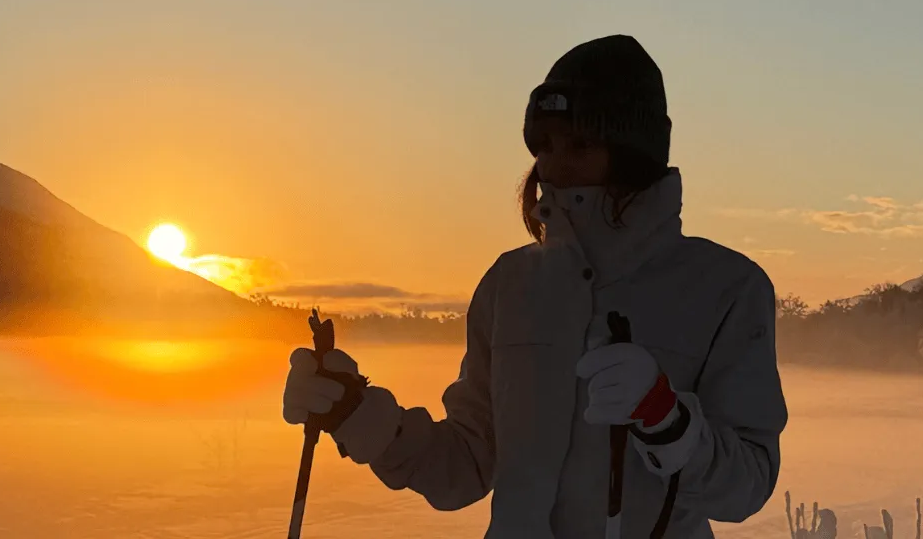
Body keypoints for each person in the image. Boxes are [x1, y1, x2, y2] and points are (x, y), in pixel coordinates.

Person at [282, 34, 789, 538]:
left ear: (634, 152)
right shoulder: (510, 284)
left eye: (579, 143)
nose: (553, 165)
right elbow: (466, 466)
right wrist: (358, 414)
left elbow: (747, 484)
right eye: (543, 145)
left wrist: (666, 418)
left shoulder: (725, 288)